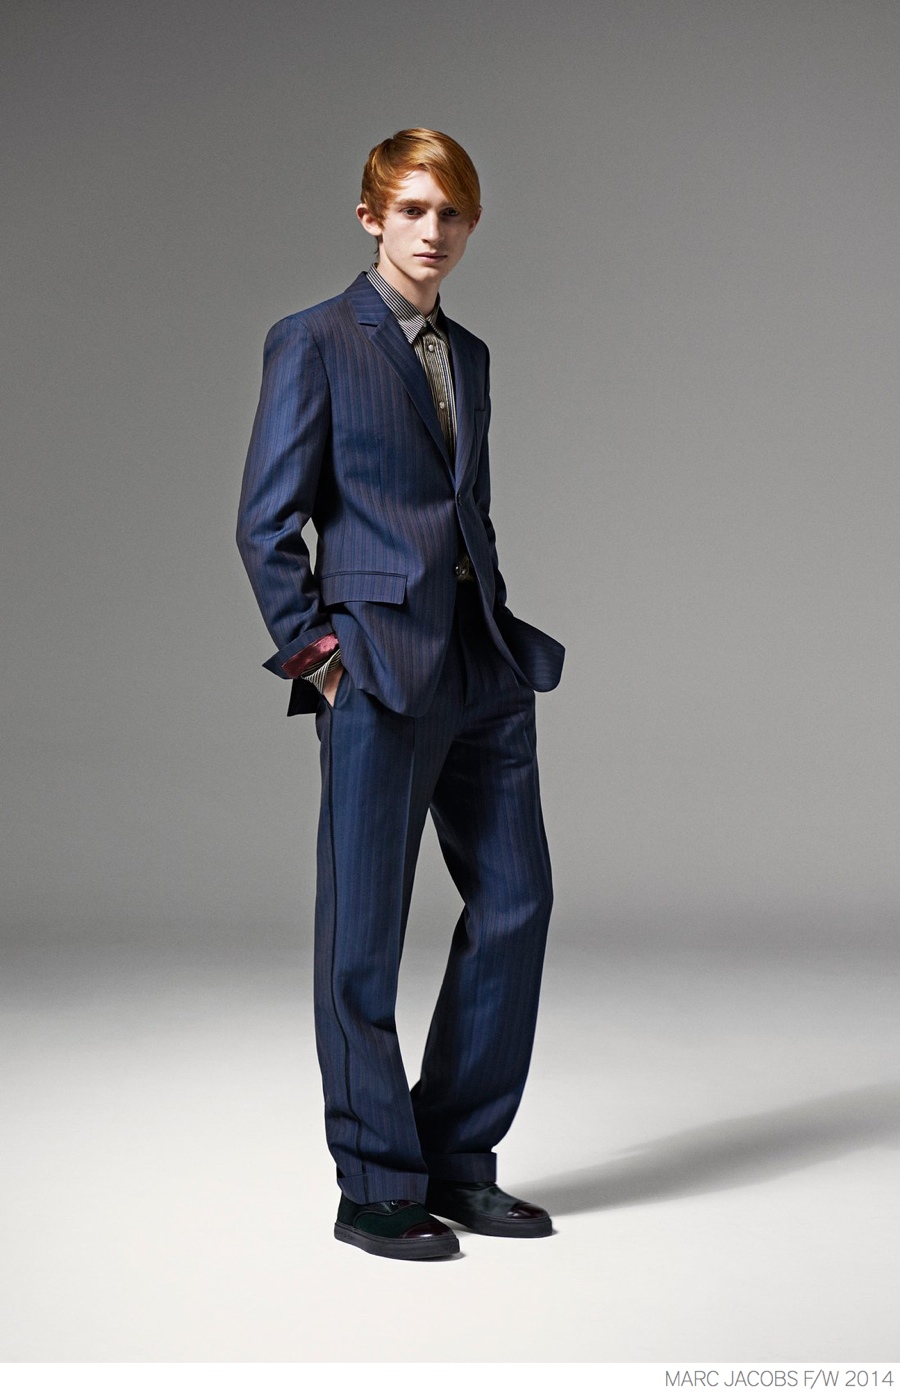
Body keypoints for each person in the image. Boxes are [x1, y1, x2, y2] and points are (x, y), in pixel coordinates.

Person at [237, 129, 564, 1260]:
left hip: (481, 663)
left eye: (453, 214)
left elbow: (464, 510)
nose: (435, 232)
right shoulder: (316, 339)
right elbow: (266, 522)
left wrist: (493, 626)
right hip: (376, 667)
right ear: (371, 216)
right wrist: (322, 660)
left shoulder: (469, 353)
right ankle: (375, 1182)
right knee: (363, 938)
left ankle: (456, 1158)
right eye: (414, 211)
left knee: (518, 903)